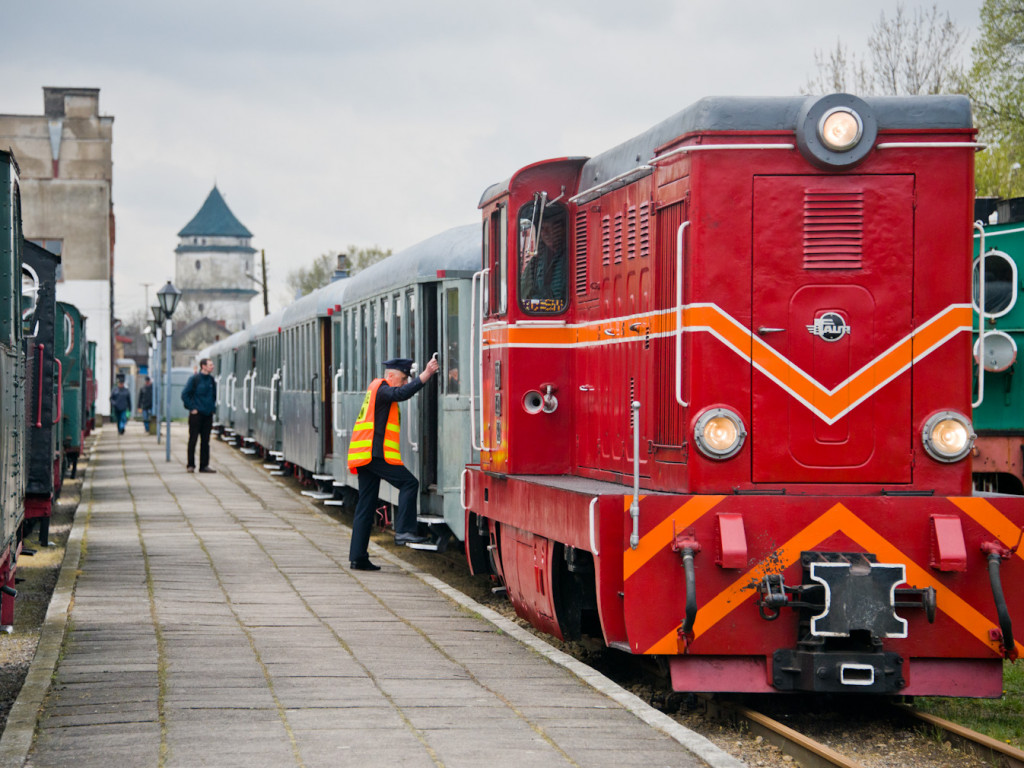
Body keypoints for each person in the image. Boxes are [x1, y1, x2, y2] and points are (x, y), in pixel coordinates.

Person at [346, 355, 440, 571]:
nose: (406, 383)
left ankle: (358, 557)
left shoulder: (376, 390)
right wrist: (425, 376)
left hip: (367, 456)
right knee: (410, 483)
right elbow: (401, 393)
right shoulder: (382, 388)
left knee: (365, 506)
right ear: (391, 375)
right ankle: (404, 531)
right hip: (375, 455)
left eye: (408, 379)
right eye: (404, 378)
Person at [519, 216, 567, 311]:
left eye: (549, 228)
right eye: (542, 229)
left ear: (561, 230)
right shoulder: (536, 261)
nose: (545, 233)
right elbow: (524, 290)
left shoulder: (569, 256)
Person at [181, 358, 217, 474]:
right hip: (196, 415)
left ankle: (204, 465)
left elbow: (214, 396)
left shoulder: (212, 380)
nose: (213, 367)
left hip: (207, 415)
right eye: (210, 365)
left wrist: (212, 409)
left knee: (205, 441)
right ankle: (191, 465)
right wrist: (192, 408)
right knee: (193, 440)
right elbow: (185, 394)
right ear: (203, 366)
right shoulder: (194, 379)